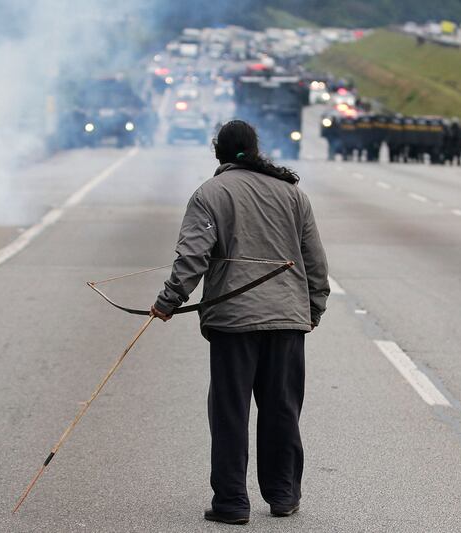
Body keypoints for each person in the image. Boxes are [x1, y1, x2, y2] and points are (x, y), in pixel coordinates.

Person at [150, 120, 330, 525]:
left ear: (219, 153)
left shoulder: (210, 194)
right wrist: (313, 308)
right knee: (282, 409)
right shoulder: (291, 194)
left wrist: (168, 300)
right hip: (287, 320)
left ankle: (232, 503)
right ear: (256, 149)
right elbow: (315, 261)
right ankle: (283, 495)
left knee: (230, 413)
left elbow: (192, 257)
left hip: (234, 324)